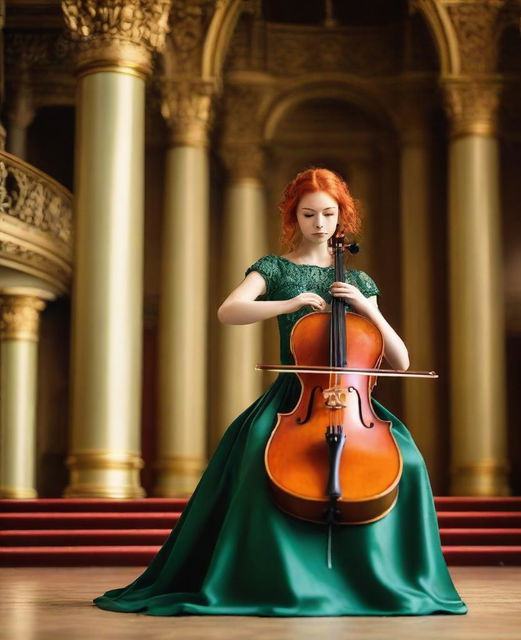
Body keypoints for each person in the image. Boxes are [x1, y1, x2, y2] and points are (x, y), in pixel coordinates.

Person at [93, 168, 468, 617]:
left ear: (341, 216)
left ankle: (378, 578)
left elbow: (401, 361)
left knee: (407, 460)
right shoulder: (275, 267)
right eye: (309, 213)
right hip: (295, 396)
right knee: (256, 451)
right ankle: (265, 576)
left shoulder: (360, 281)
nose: (320, 223)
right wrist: (289, 304)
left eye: (329, 213)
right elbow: (229, 311)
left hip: (353, 400)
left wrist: (366, 307)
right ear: (295, 215)